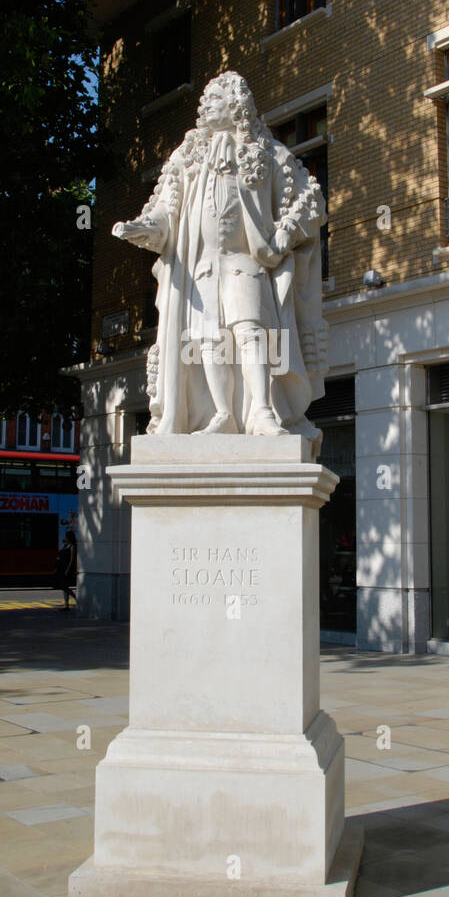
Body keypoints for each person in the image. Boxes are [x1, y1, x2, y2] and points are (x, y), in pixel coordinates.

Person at [112, 71, 329, 444]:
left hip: (247, 259)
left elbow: (311, 199)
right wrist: (147, 228)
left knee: (250, 331)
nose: (204, 105)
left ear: (235, 105)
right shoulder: (189, 153)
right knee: (207, 339)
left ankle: (261, 410)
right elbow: (168, 206)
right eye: (205, 100)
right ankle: (224, 413)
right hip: (201, 264)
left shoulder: (266, 151)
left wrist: (286, 230)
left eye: (213, 99)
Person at [52, 531, 77, 612]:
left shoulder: (72, 546)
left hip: (67, 569)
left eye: (66, 536)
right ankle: (66, 604)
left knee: (64, 586)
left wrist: (68, 569)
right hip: (62, 568)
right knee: (64, 587)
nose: (65, 538)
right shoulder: (66, 545)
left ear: (69, 537)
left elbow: (72, 559)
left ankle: (77, 598)